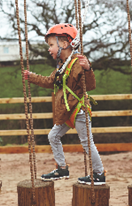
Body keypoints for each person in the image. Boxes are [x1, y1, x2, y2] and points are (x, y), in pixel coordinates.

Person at [24, 23, 105, 185]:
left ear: (65, 44)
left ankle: (99, 174)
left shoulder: (76, 63)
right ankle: (62, 168)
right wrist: (31, 76)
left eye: (51, 45)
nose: (49, 49)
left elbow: (89, 86)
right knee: (53, 136)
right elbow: (49, 81)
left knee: (87, 142)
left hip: (79, 111)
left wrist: (88, 69)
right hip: (67, 112)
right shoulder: (63, 66)